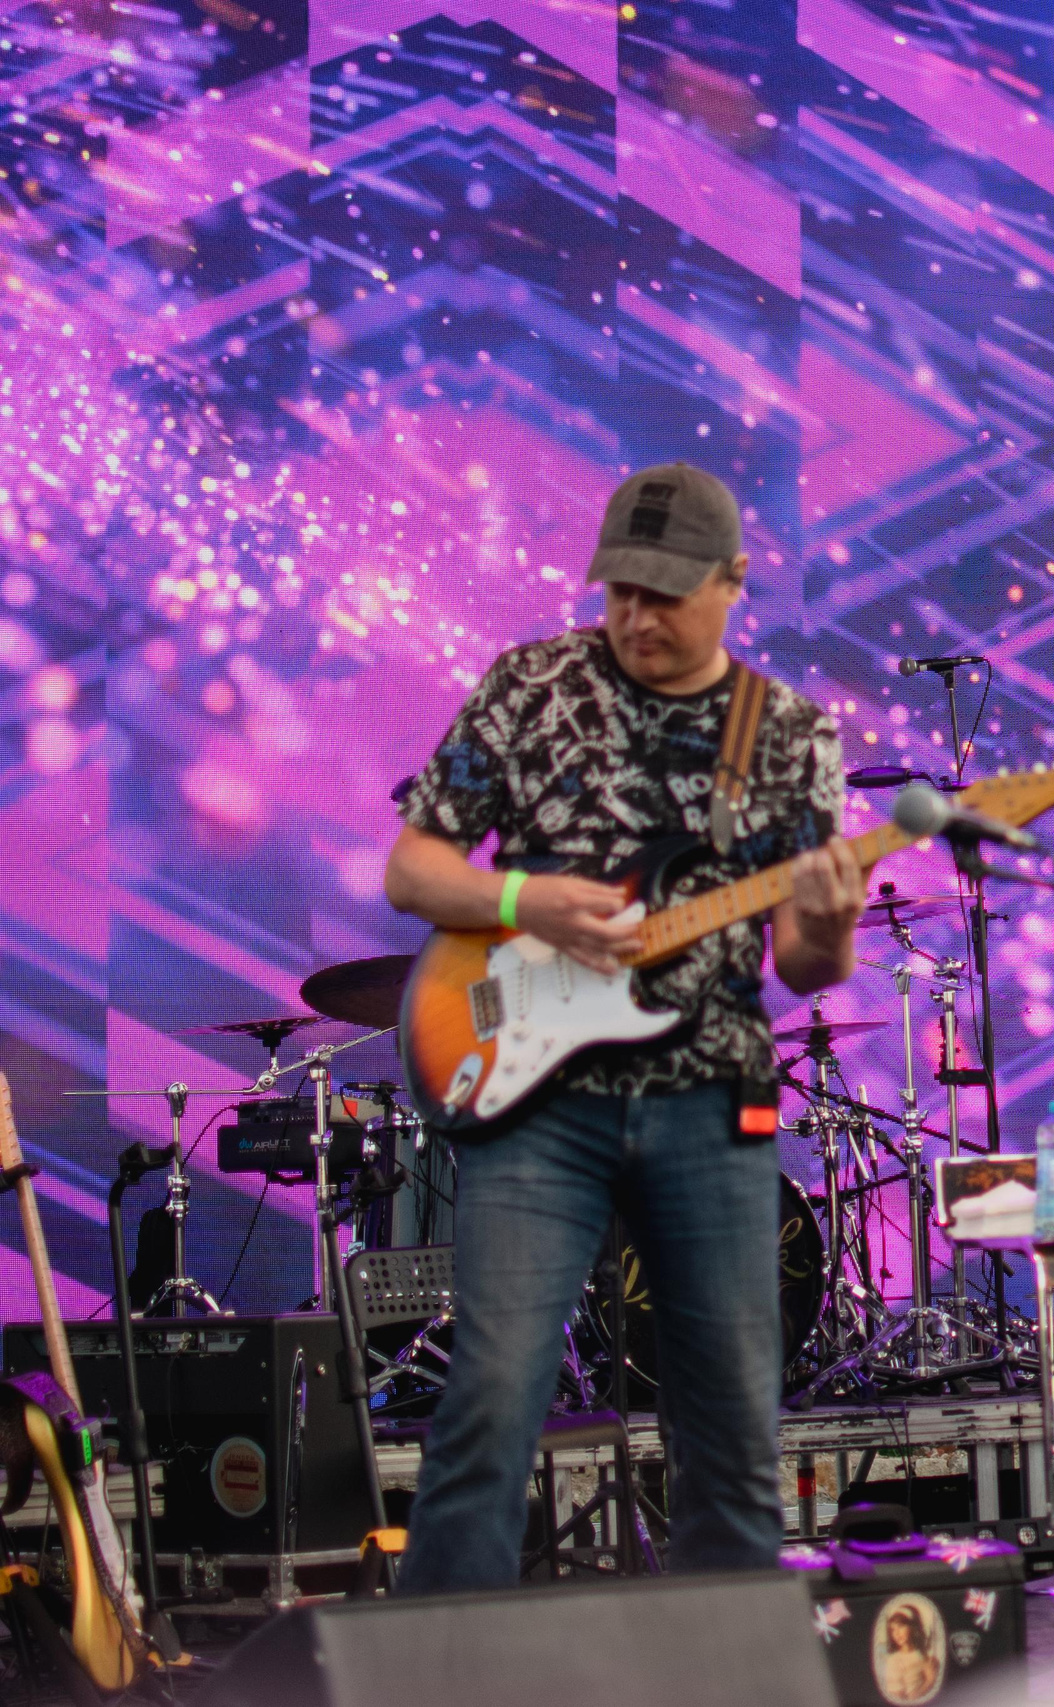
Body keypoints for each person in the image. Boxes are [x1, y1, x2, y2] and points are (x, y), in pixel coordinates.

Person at [386, 464, 867, 1590]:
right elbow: (413, 867)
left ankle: (725, 1658)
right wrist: (523, 900)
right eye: (620, 592)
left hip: (712, 1099)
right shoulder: (532, 685)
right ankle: (436, 1658)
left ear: (733, 581)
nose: (638, 618)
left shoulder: (787, 735)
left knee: (732, 1420)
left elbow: (802, 965)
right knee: (492, 1394)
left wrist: (834, 925)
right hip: (539, 1102)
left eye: (665, 594)